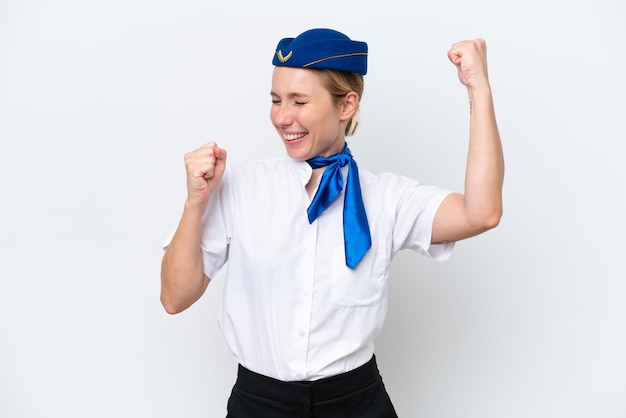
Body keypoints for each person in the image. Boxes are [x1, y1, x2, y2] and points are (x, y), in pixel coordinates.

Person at [160, 28, 504, 418]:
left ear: (347, 105)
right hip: (259, 405)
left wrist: (478, 89)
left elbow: (482, 212)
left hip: (357, 404)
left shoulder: (387, 199)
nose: (281, 117)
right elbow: (175, 297)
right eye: (275, 100)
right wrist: (195, 203)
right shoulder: (238, 187)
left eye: (299, 101)